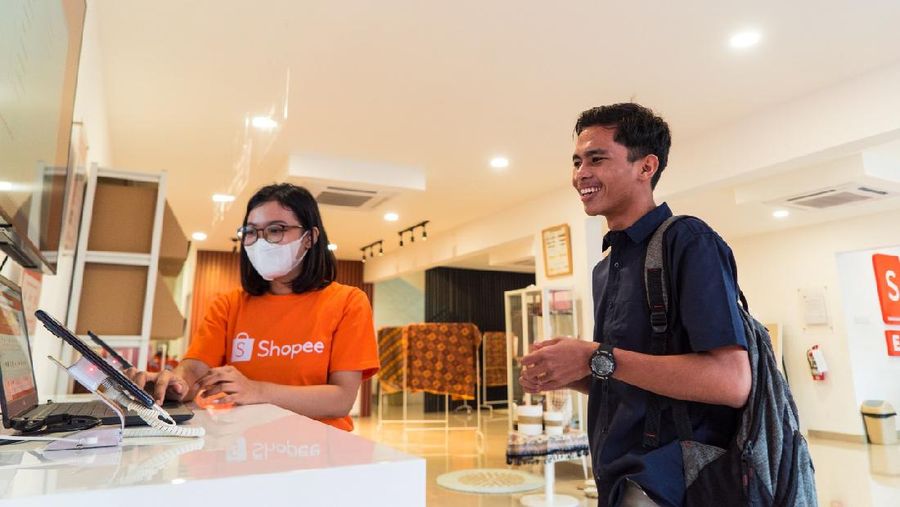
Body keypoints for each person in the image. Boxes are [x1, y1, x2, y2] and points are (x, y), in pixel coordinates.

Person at [519, 103, 751, 506]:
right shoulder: (606, 267)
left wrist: (594, 356)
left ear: (646, 166)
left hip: (676, 483)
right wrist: (569, 372)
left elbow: (731, 381)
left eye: (596, 159)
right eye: (576, 161)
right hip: (617, 476)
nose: (580, 174)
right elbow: (627, 381)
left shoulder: (688, 241)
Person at [130, 183, 379, 431]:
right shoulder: (228, 305)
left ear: (310, 238)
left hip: (320, 444)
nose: (261, 242)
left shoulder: (347, 302)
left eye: (276, 230)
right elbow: (194, 370)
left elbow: (341, 400)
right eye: (251, 232)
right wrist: (170, 384)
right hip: (243, 442)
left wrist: (256, 390)